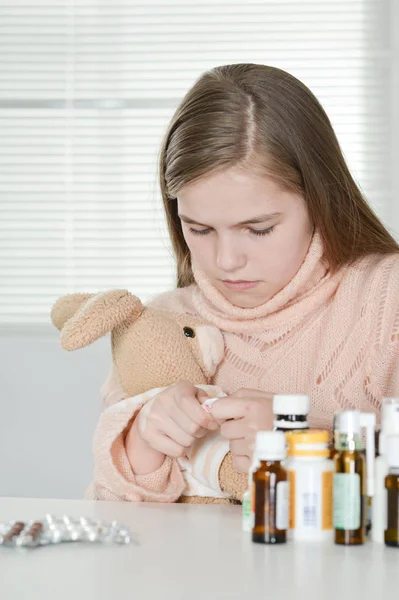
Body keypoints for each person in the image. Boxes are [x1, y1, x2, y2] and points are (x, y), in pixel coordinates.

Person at [87, 63, 399, 503]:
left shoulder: (386, 299)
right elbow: (109, 534)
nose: (226, 261)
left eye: (258, 229)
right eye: (199, 229)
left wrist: (316, 445)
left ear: (319, 199)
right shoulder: (162, 324)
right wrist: (141, 441)